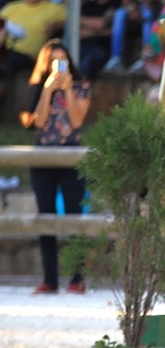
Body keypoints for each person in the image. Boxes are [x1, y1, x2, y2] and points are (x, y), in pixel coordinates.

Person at [21, 40, 90, 294]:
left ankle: (77, 278)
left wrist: (68, 89)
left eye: (63, 60)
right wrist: (48, 90)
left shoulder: (81, 86)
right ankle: (50, 279)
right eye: (54, 61)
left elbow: (77, 120)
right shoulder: (38, 86)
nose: (59, 66)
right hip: (43, 156)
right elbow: (36, 123)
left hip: (71, 155)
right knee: (46, 216)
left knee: (75, 216)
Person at [1, 0, 67, 76]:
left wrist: (56, 26)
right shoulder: (11, 8)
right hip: (6, 49)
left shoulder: (54, 8)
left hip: (29, 55)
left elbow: (72, 22)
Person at [78, 0, 120, 79]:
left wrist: (83, 21)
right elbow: (77, 31)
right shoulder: (87, 6)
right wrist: (100, 29)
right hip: (83, 45)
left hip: (103, 47)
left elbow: (103, 24)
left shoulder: (117, 3)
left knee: (87, 64)